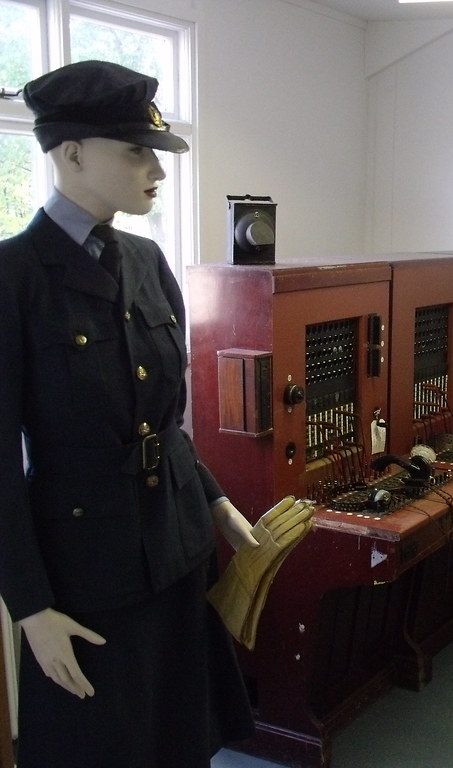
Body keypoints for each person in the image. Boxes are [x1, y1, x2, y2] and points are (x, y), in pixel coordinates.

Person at [0, 60, 259, 767]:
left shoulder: (147, 262)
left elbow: (164, 421)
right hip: (85, 570)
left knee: (179, 735)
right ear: (72, 152)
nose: (157, 170)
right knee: (102, 744)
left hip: (175, 547)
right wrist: (28, 606)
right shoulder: (14, 279)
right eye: (136, 151)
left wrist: (213, 499)